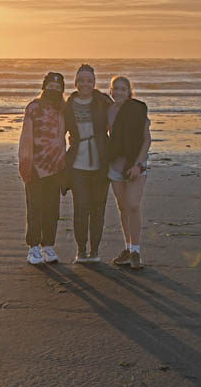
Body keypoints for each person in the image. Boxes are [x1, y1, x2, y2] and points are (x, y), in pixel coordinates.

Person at [63, 63, 113, 263]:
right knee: (81, 207)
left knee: (98, 208)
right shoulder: (68, 104)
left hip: (101, 161)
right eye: (81, 80)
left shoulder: (103, 101)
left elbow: (121, 120)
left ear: (94, 82)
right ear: (75, 82)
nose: (85, 84)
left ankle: (95, 251)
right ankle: (81, 250)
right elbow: (59, 132)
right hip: (77, 164)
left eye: (89, 81)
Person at [18, 72, 67, 265]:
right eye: (51, 87)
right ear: (44, 88)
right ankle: (33, 248)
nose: (54, 90)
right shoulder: (33, 108)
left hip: (56, 167)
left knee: (52, 209)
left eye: (58, 88)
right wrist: (25, 163)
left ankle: (47, 246)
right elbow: (25, 138)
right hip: (35, 167)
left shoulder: (63, 110)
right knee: (35, 207)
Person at [105, 76, 151, 270]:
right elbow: (109, 135)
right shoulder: (108, 111)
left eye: (123, 89)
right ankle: (128, 247)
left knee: (133, 205)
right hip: (115, 165)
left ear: (129, 91)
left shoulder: (138, 109)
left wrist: (138, 164)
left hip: (135, 165)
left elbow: (146, 140)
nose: (119, 92)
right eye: (115, 89)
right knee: (123, 207)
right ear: (111, 91)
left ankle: (136, 251)